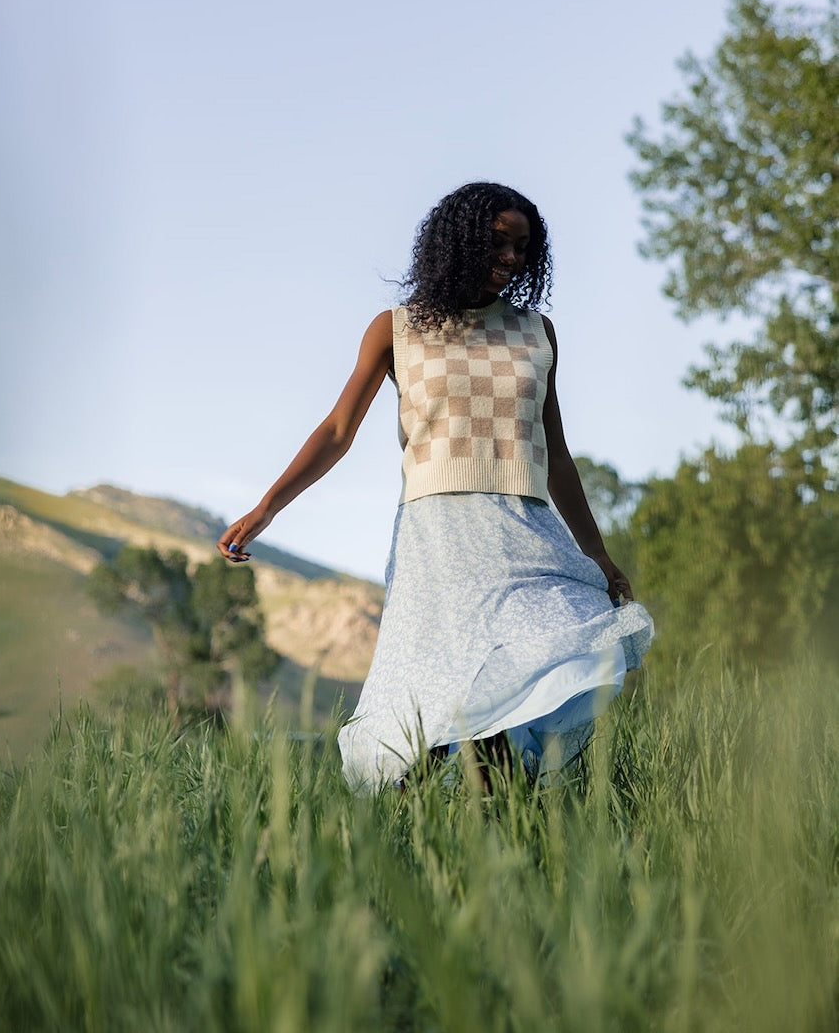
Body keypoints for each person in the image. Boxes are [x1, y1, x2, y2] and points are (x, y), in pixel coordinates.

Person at [217, 182, 653, 790]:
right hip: (441, 533)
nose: (511, 259)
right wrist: (267, 508)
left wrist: (599, 555)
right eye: (499, 243)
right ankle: (446, 810)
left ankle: (494, 811)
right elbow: (339, 429)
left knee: (558, 645)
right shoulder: (395, 328)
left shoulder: (538, 333)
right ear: (460, 240)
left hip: (526, 525)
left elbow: (556, 455)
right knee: (448, 689)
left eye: (523, 248)